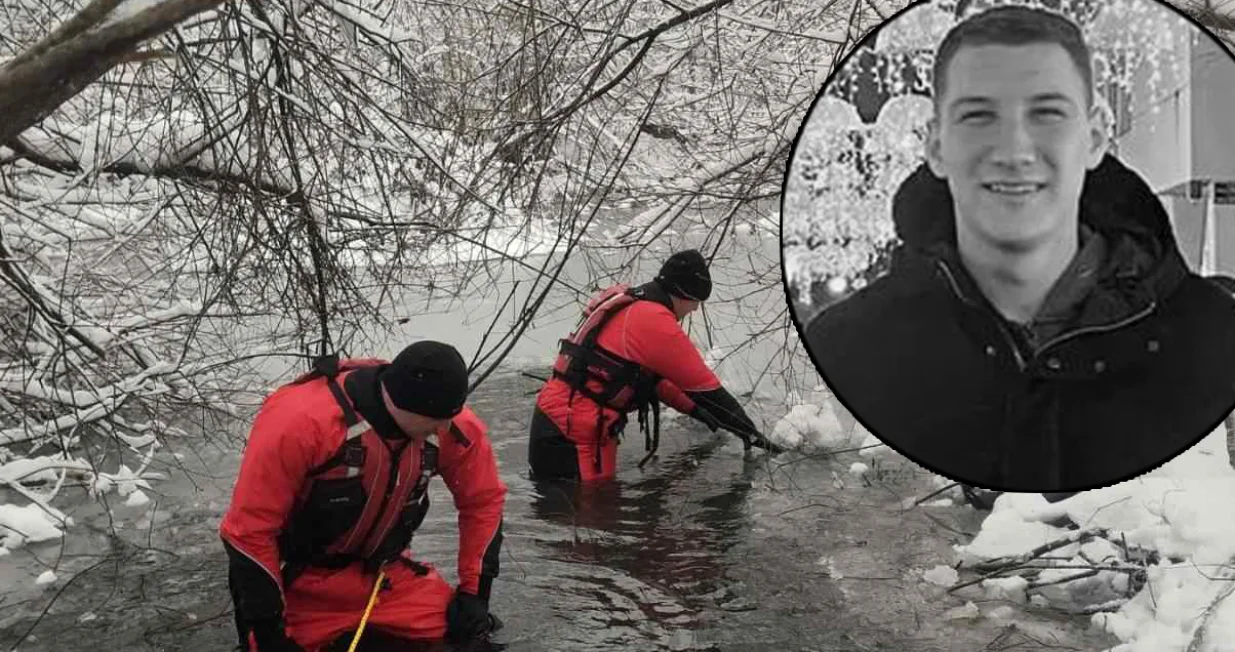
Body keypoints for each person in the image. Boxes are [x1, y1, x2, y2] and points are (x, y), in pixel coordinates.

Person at [804, 5, 1235, 492]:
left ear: (1095, 137)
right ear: (936, 146)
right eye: (978, 115)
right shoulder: (849, 350)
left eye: (1047, 113)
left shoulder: (1215, 340)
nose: (1014, 151)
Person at [219, 341, 507, 651]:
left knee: (472, 636)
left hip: (385, 578)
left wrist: (474, 594)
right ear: (403, 404)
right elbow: (248, 531)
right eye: (437, 421)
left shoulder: (450, 424)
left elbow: (482, 502)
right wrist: (268, 630)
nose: (447, 427)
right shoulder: (301, 421)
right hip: (302, 583)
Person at [528, 248, 782, 482]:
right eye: (696, 302)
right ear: (684, 294)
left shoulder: (631, 300)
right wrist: (753, 434)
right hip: (571, 433)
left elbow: (653, 381)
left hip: (557, 420)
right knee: (593, 513)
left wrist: (696, 411)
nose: (694, 310)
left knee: (572, 513)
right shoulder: (654, 321)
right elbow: (708, 391)